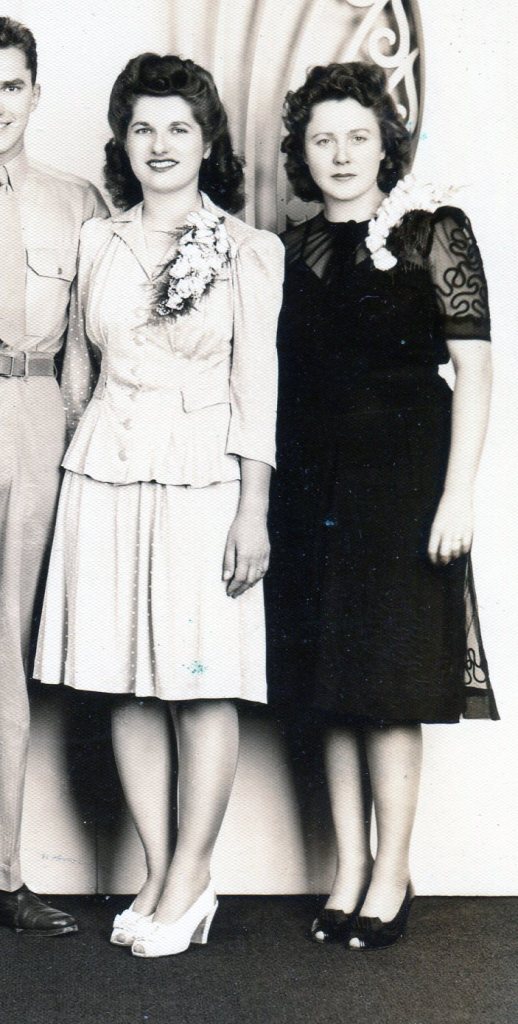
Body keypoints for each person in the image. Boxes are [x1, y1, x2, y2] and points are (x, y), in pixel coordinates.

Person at [35, 52, 283, 958]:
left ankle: (191, 877)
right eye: (143, 127)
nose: (161, 143)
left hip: (203, 482)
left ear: (208, 140)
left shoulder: (252, 250)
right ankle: (156, 869)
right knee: (122, 680)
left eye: (179, 126)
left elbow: (259, 390)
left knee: (197, 678)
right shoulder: (99, 239)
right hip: (104, 474)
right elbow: (76, 372)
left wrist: (252, 507)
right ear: (123, 142)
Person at [267, 62, 498, 950]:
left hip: (404, 488)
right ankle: (348, 870)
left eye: (358, 136)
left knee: (391, 688)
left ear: (386, 143)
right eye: (322, 138)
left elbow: (476, 369)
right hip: (311, 489)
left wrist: (459, 495)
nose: (341, 153)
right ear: (302, 151)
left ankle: (393, 870)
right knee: (330, 684)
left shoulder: (434, 231)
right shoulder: (287, 252)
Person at [0, 16, 107, 936]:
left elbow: (93, 346)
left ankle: (2, 873)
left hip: (32, 421)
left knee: (8, 653)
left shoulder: (78, 203)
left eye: (9, 85)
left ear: (35, 93)